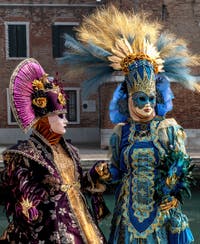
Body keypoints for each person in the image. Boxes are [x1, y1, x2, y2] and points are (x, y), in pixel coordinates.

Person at [60, 5, 199, 243]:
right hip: (128, 212)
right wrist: (101, 173)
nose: (147, 105)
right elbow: (117, 171)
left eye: (151, 99)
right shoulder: (121, 133)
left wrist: (174, 195)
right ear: (129, 99)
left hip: (161, 211)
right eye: (141, 99)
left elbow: (181, 169)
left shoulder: (169, 130)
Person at [0, 58, 107, 243]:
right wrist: (29, 204)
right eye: (60, 116)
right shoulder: (25, 154)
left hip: (82, 220)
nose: (66, 120)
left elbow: (79, 183)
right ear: (44, 120)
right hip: (50, 227)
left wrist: (95, 174)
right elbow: (20, 188)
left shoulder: (71, 150)